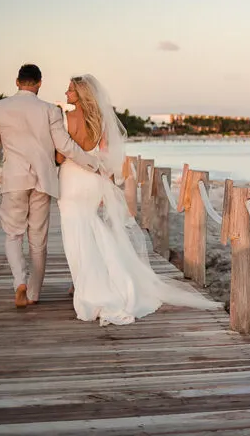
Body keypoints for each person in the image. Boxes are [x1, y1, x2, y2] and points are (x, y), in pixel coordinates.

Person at [58, 74, 220, 325]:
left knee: (74, 232)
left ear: (80, 93)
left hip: (70, 179)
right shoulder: (100, 121)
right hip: (92, 181)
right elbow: (106, 158)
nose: (66, 93)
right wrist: (107, 187)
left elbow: (60, 157)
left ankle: (87, 286)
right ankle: (97, 283)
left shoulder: (64, 119)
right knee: (91, 229)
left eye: (70, 90)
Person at [0, 64, 102, 308]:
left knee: (13, 235)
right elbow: (65, 146)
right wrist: (93, 164)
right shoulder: (49, 110)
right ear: (39, 83)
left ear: (17, 82)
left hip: (14, 181)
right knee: (38, 240)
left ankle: (19, 283)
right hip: (43, 181)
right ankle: (34, 293)